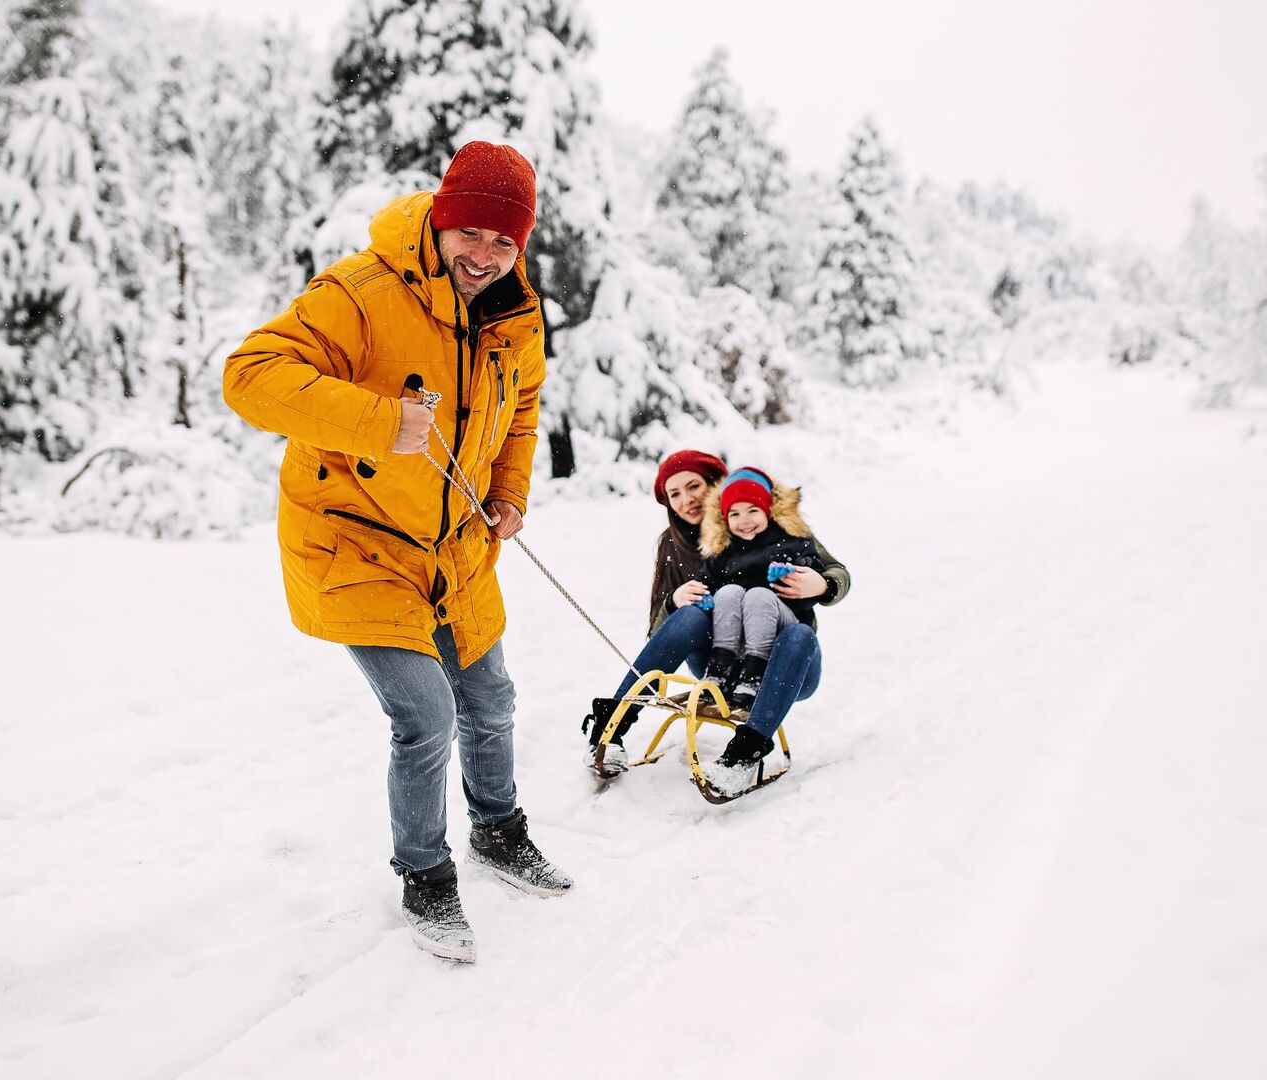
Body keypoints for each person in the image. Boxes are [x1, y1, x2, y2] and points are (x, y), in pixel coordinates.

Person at [224, 141, 569, 965]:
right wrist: (380, 421)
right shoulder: (362, 292)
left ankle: (499, 831)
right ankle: (425, 876)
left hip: (455, 547)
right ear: (441, 219)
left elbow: (522, 410)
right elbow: (249, 376)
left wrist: (508, 493)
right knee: (425, 715)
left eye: (505, 241)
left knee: (491, 698)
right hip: (355, 541)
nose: (484, 256)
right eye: (470, 233)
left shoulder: (515, 313)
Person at [582, 451, 851, 777]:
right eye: (674, 494)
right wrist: (673, 602)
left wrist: (823, 584)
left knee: (799, 634)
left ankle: (746, 753)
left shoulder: (776, 524)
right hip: (718, 663)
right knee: (691, 616)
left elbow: (835, 571)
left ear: (716, 487)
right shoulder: (674, 546)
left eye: (693, 486)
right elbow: (660, 634)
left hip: (786, 661)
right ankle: (609, 728)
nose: (686, 500)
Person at [687, 467, 825, 716]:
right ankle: (720, 668)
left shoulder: (791, 542)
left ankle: (754, 673)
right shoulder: (724, 550)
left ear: (767, 511)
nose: (745, 521)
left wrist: (793, 574)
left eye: (753, 510)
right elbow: (705, 581)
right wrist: (703, 597)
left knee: (758, 595)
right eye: (735, 514)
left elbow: (811, 586)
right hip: (735, 639)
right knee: (728, 592)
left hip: (781, 635)